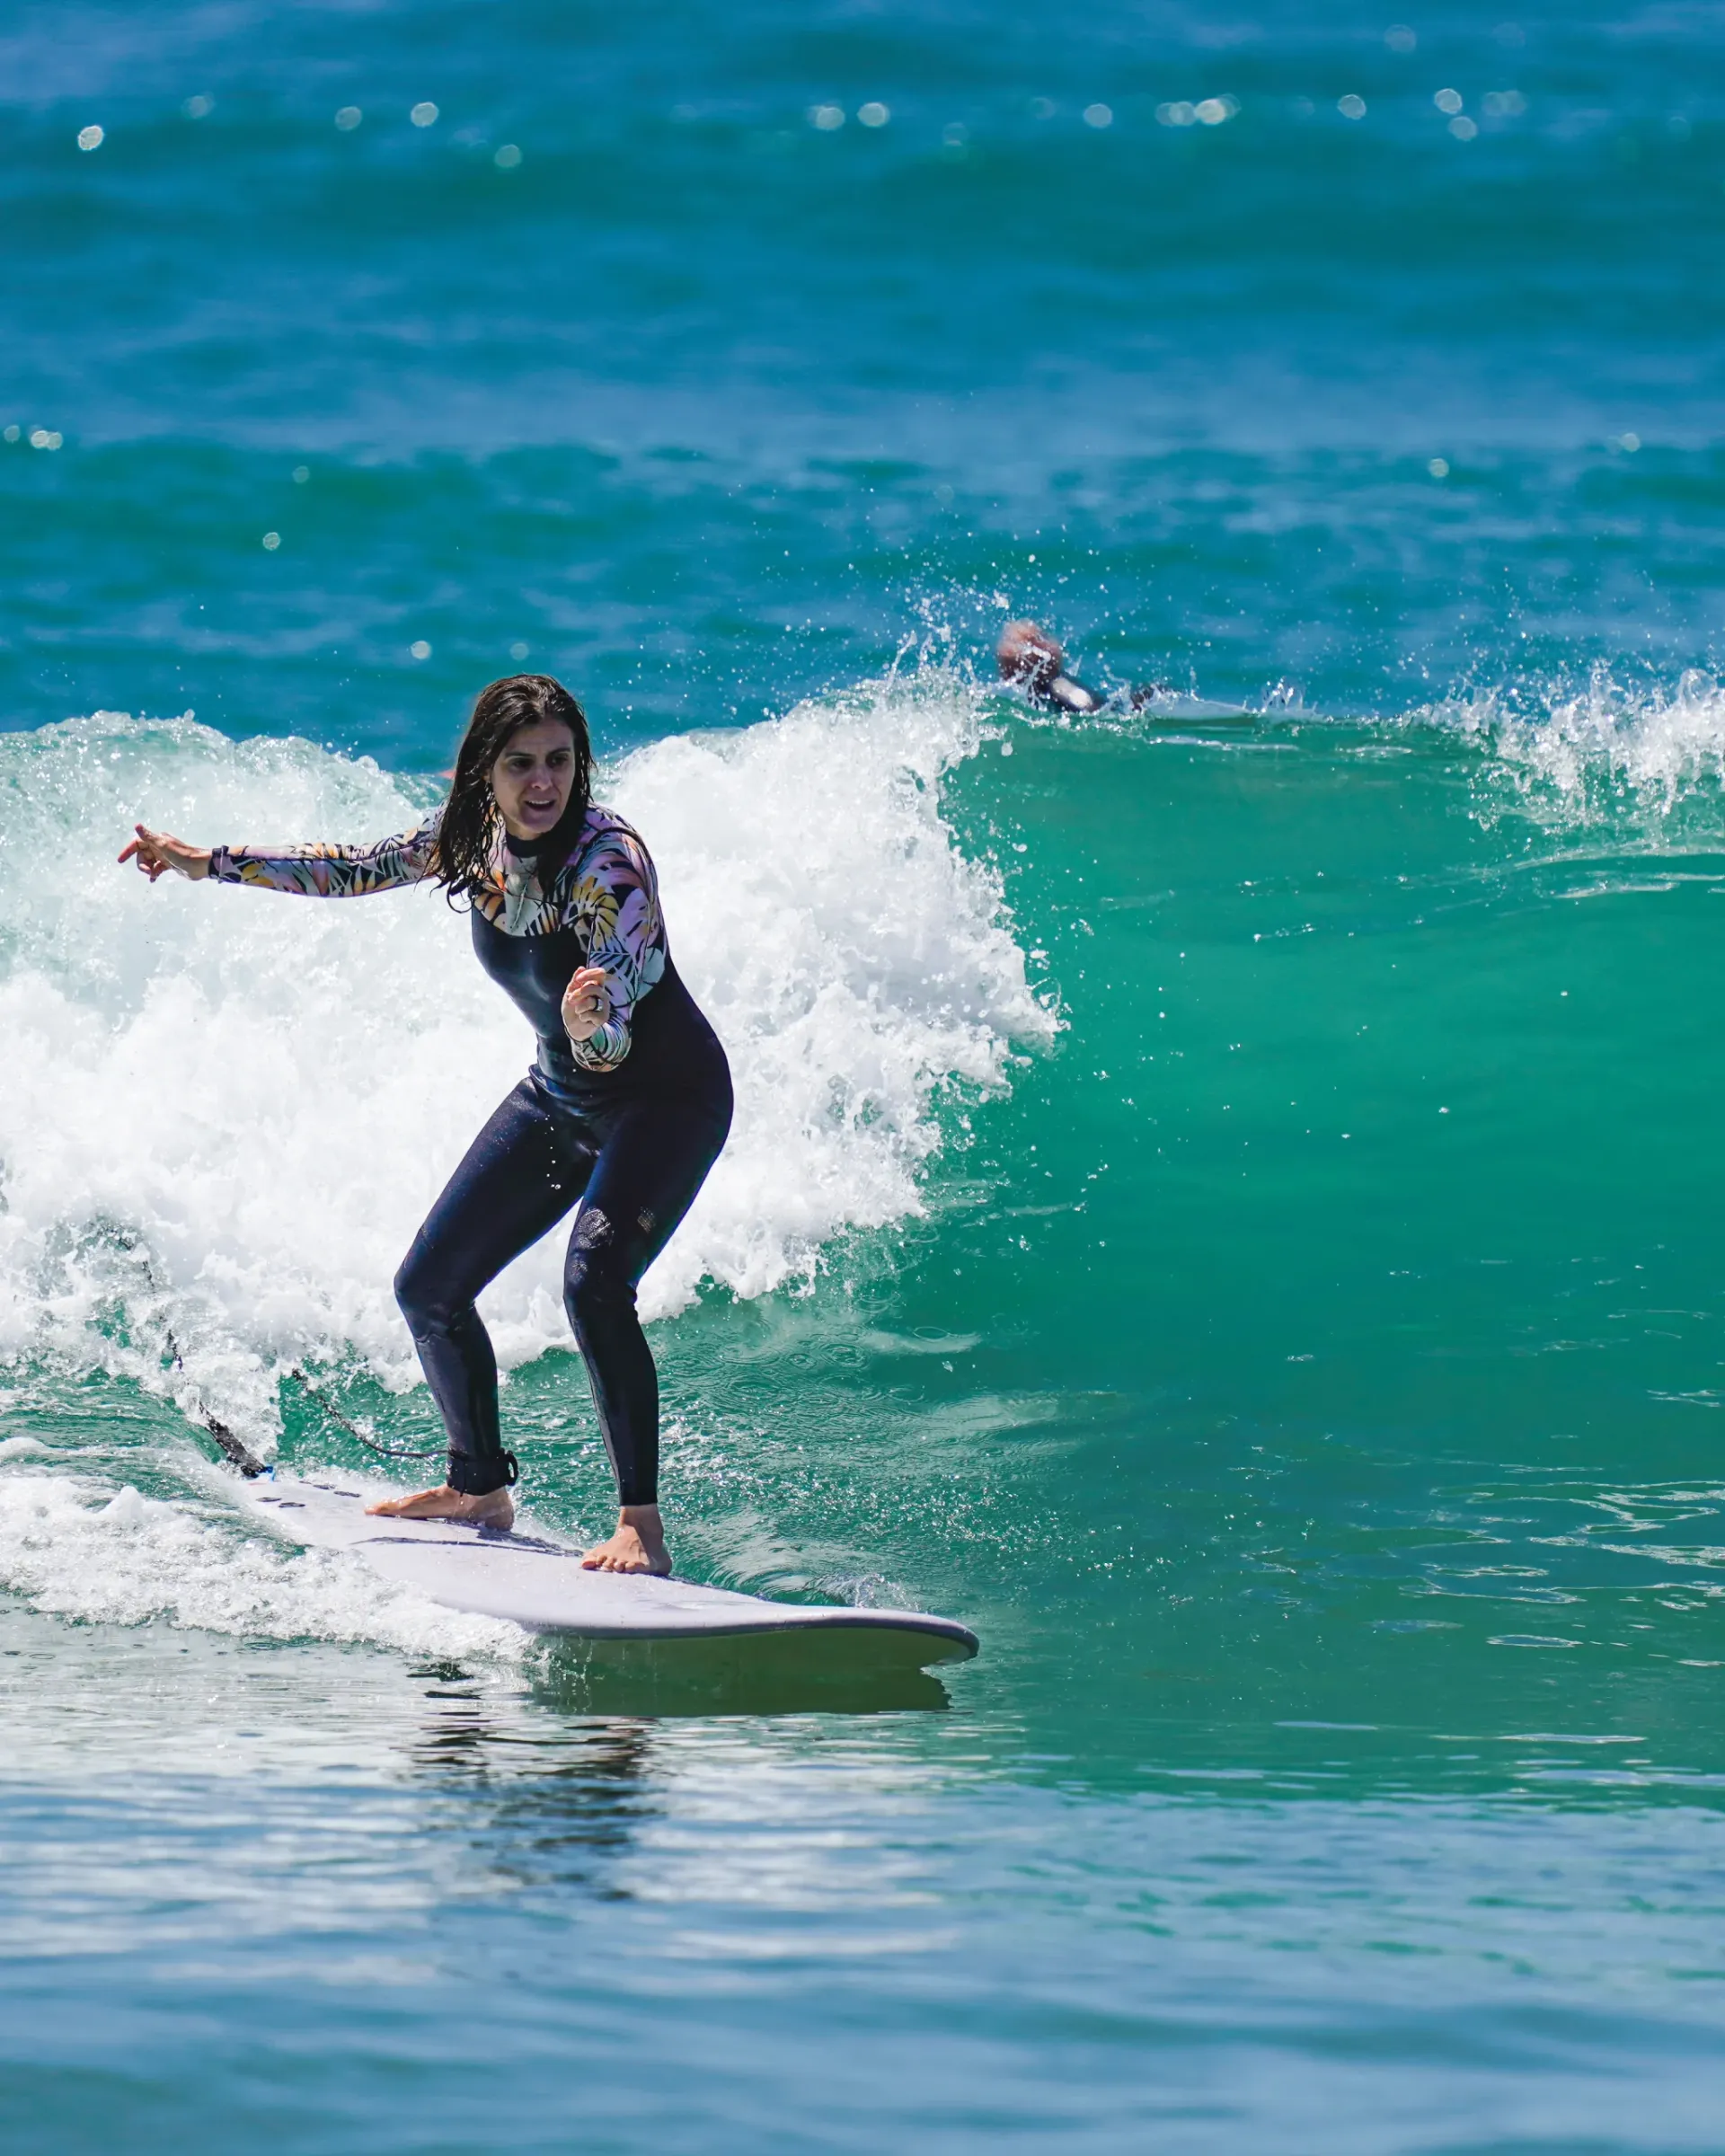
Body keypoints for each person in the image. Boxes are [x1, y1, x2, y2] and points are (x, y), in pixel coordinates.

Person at [118, 674, 731, 1577]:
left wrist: (587, 1023)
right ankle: (478, 1487)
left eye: (559, 761)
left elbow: (613, 1039)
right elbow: (351, 868)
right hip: (560, 1096)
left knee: (595, 1284)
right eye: (521, 763)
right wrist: (208, 862)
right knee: (429, 1289)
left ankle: (640, 1524)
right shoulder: (469, 839)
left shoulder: (610, 867)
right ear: (485, 770)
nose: (543, 782)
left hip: (666, 1099)